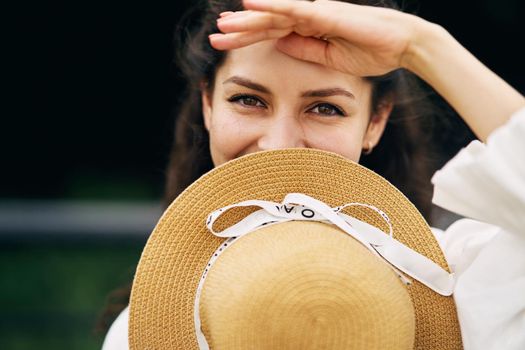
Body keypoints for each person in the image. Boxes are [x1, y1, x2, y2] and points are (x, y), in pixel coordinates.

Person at [101, 0, 525, 348]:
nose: (280, 145)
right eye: (249, 100)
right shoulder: (136, 334)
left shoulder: (462, 286)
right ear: (209, 104)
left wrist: (422, 46)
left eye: (325, 108)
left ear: (375, 122)